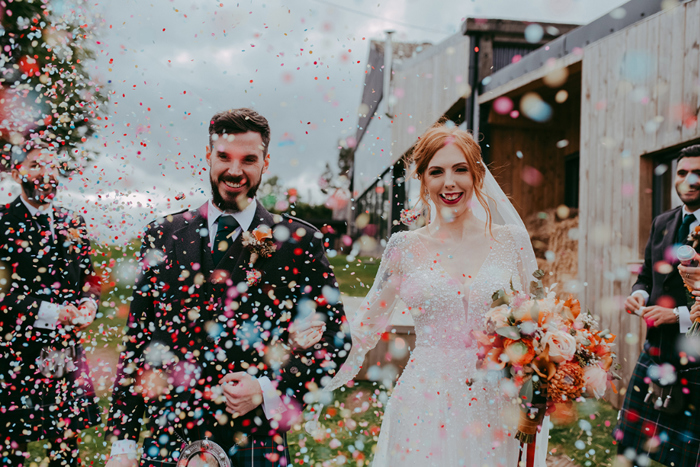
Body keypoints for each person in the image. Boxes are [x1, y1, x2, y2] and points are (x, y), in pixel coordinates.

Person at [105, 108, 351, 467]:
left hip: (252, 440)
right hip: (168, 434)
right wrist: (123, 443)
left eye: (249, 159)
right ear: (209, 156)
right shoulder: (163, 235)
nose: (235, 171)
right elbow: (138, 342)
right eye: (224, 157)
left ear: (265, 163)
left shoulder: (298, 241)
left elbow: (336, 339)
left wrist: (269, 390)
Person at [324, 124, 547, 466]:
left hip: (495, 402)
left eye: (460, 169)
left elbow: (537, 322)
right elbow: (365, 328)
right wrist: (310, 358)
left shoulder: (511, 241)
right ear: (423, 180)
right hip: (424, 401)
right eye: (437, 171)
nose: (450, 182)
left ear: (477, 175)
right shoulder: (405, 247)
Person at [0, 143, 101, 466]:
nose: (47, 174)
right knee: (11, 447)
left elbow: (90, 280)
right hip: (15, 354)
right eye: (36, 165)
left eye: (54, 167)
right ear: (18, 172)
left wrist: (89, 305)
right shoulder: (2, 222)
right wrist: (53, 312)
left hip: (65, 353)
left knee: (67, 446)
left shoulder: (74, 222)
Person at [615, 144, 700, 466]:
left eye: (698, 173)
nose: (690, 180)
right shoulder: (663, 222)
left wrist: (677, 316)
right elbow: (646, 277)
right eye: (682, 173)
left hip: (695, 357)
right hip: (656, 350)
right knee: (635, 450)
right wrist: (639, 294)